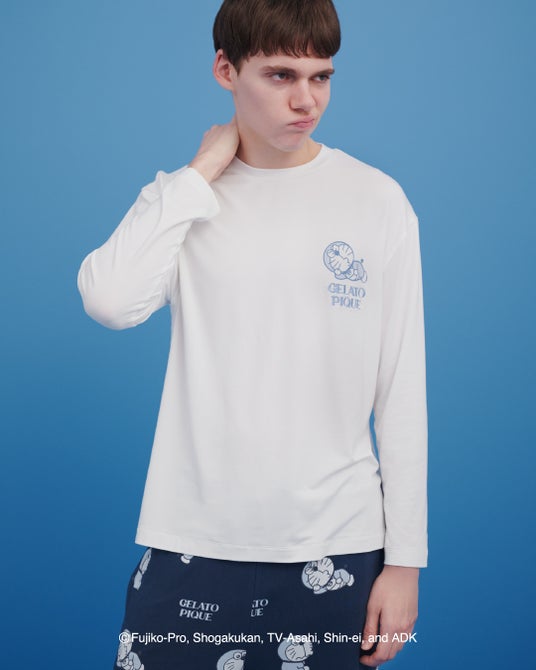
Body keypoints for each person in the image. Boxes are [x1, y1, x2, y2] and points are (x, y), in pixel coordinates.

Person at [77, 1, 428, 668]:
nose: (306, 100)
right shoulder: (185, 200)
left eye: (321, 77)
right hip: (194, 537)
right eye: (280, 76)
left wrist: (405, 562)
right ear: (225, 70)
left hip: (338, 545)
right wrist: (200, 172)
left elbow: (401, 390)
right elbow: (109, 301)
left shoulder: (377, 201)